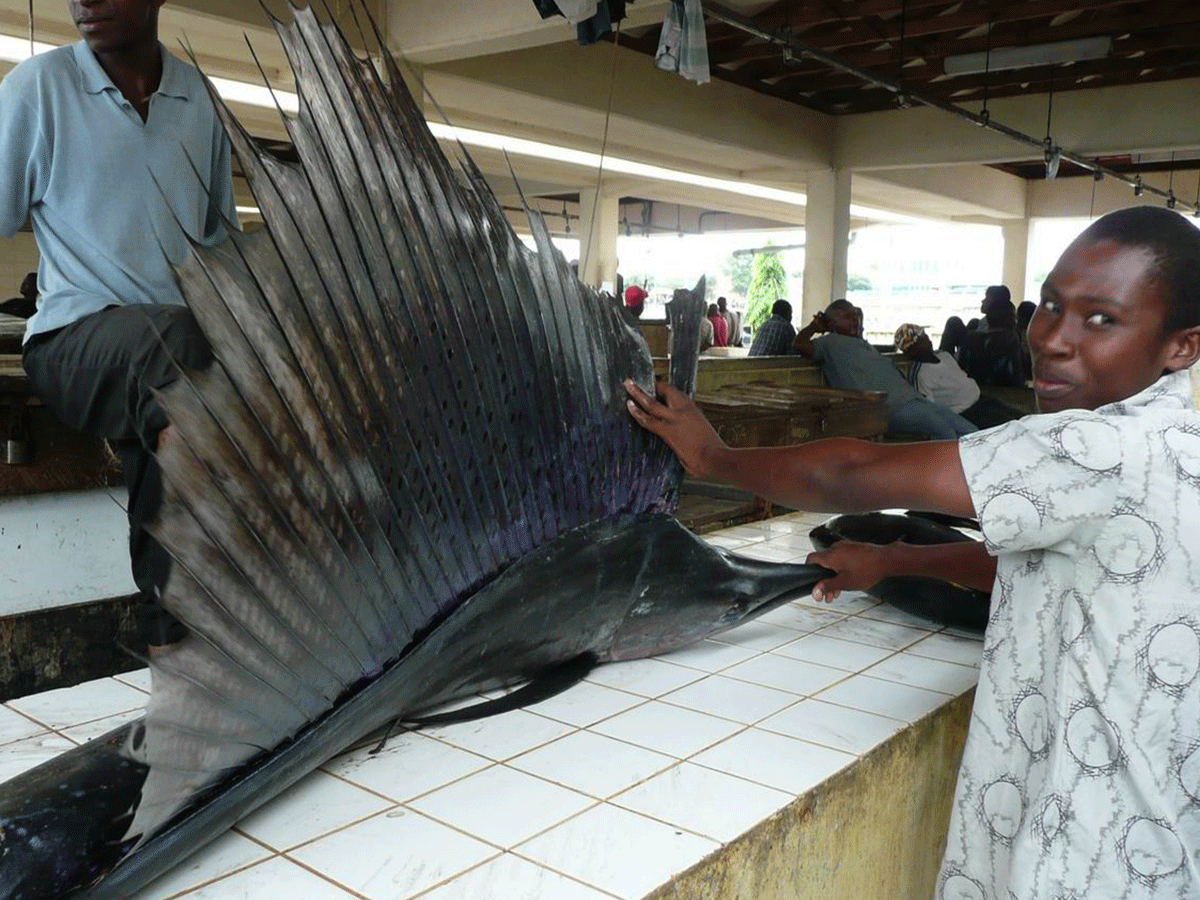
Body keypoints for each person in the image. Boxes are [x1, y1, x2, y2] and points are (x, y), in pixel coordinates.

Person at [624, 205, 1200, 899]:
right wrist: (895, 561)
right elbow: (1049, 567)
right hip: (1158, 843)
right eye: (1050, 305)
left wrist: (713, 456)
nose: (1052, 339)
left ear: (1182, 346)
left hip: (1082, 854)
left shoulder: (1100, 449)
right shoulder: (1176, 444)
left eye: (1101, 319)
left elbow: (851, 475)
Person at [3, 0, 237, 649]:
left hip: (165, 356)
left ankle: (185, 642)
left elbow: (221, 247)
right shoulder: (37, 90)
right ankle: (180, 646)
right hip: (70, 342)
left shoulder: (199, 100)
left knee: (187, 387)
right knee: (179, 354)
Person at [795, 299, 975, 440]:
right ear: (832, 322)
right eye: (848, 316)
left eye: (855, 315)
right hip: (888, 409)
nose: (855, 319)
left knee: (970, 431)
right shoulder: (830, 343)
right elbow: (800, 345)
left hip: (913, 400)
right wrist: (814, 327)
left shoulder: (862, 343)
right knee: (944, 431)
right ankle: (948, 481)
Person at [894, 323, 1022, 429]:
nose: (927, 339)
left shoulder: (944, 355)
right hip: (968, 414)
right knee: (1014, 427)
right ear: (910, 351)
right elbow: (930, 412)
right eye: (920, 340)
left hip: (982, 401)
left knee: (1023, 417)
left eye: (924, 335)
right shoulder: (920, 374)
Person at [958, 291, 1024, 386]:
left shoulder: (972, 336)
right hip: (1005, 388)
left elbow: (962, 366)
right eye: (1014, 317)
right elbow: (1017, 371)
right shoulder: (1012, 338)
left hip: (975, 386)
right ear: (1010, 319)